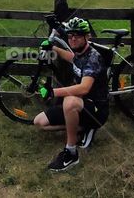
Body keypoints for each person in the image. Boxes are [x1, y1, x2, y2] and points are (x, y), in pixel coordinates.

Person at [33, 17, 110, 172]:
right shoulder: (79, 53)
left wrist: (53, 92)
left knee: (69, 101)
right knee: (39, 122)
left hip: (97, 110)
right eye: (70, 35)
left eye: (78, 35)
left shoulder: (93, 58)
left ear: (87, 36)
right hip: (82, 107)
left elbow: (83, 89)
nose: (73, 38)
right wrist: (53, 48)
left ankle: (71, 152)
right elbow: (72, 58)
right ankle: (83, 128)